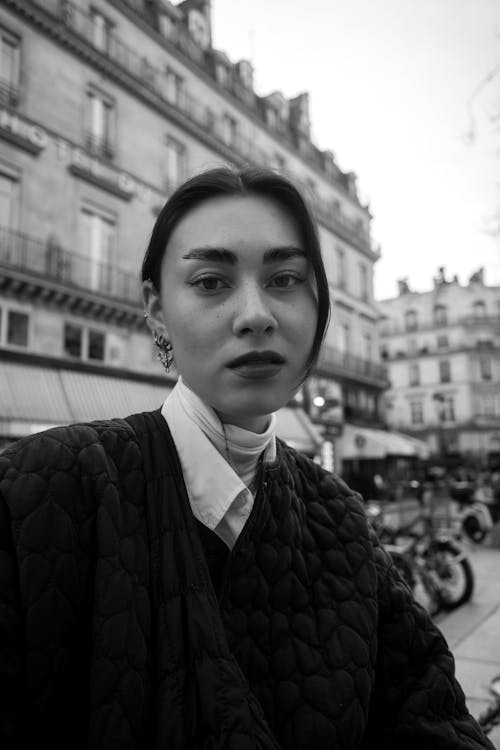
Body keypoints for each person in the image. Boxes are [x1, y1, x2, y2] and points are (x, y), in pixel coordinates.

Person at [0, 167, 493, 750]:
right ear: (157, 311)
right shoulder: (45, 488)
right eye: (211, 281)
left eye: (285, 278)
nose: (256, 314)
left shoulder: (341, 518)